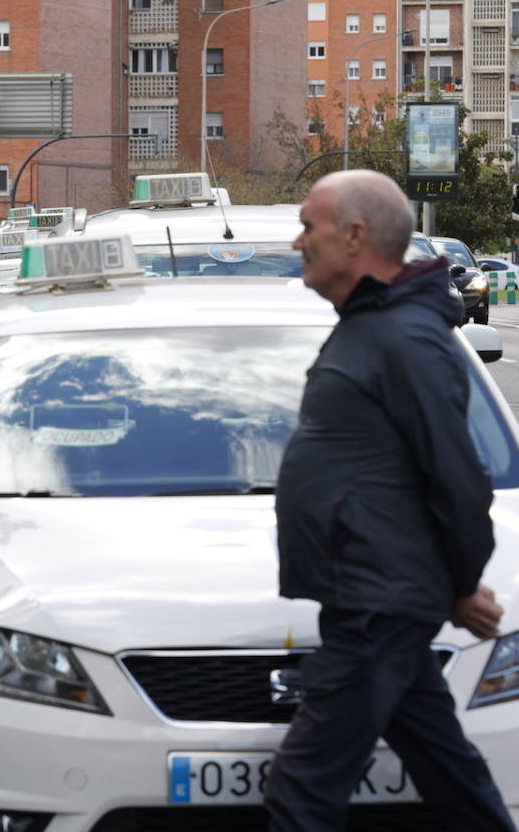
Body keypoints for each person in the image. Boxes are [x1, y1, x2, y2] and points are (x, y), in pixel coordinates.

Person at [266, 169, 513, 832]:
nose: (297, 243)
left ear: (353, 237)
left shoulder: (405, 337)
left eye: (307, 227)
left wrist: (461, 585)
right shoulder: (376, 327)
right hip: (375, 595)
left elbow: (458, 475)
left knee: (301, 789)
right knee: (450, 777)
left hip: (379, 601)